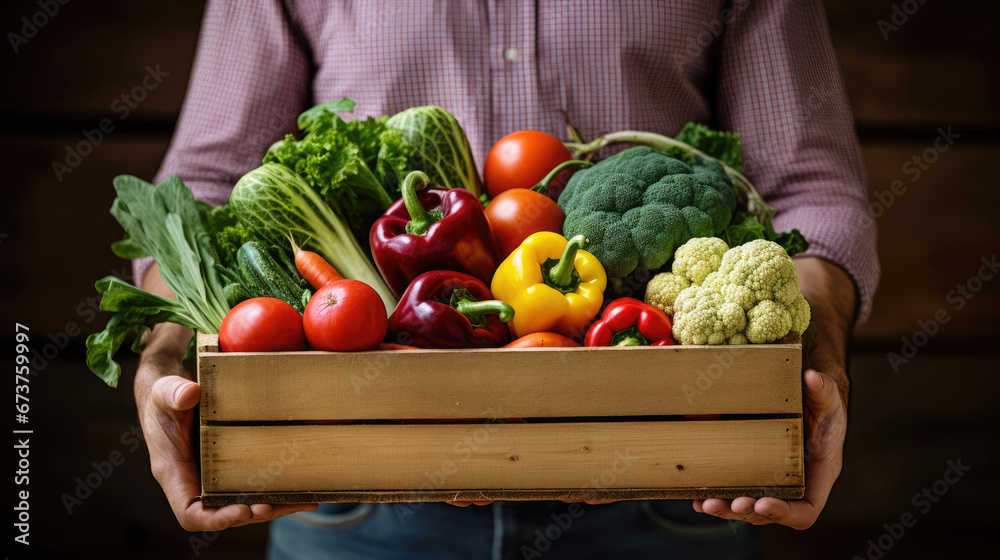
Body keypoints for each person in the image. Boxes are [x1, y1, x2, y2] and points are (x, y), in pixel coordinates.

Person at [133, 1, 877, 558]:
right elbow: (205, 184)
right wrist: (167, 343)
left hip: (670, 483)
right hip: (354, 496)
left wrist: (817, 348)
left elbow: (813, 189)